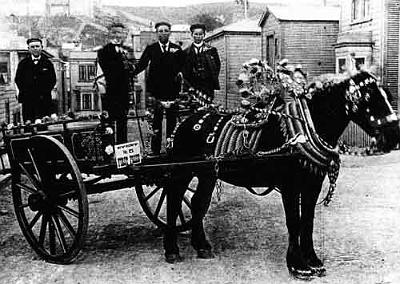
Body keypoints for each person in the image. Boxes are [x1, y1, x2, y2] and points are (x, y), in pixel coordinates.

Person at [134, 21, 184, 155]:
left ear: (170, 32)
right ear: (157, 33)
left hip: (173, 92)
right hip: (156, 92)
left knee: (172, 124)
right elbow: (141, 65)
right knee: (156, 123)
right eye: (160, 31)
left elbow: (184, 67)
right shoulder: (151, 49)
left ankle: (172, 149)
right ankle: (155, 151)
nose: (163, 33)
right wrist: (130, 75)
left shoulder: (177, 49)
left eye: (166, 30)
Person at [97, 22, 135, 144]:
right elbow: (109, 71)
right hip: (110, 92)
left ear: (124, 34)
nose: (117, 35)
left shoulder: (128, 50)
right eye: (114, 32)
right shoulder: (103, 51)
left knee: (122, 123)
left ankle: (122, 152)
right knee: (108, 124)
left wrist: (130, 67)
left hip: (124, 92)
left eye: (120, 32)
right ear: (109, 34)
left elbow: (133, 68)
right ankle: (108, 152)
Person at [15, 38, 56, 123]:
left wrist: (43, 91)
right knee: (29, 125)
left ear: (41, 47)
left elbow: (52, 80)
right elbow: (18, 80)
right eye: (32, 47)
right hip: (28, 100)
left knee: (42, 124)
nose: (35, 48)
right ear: (29, 49)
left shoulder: (48, 63)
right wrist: (27, 92)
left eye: (37, 46)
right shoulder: (23, 64)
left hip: (43, 99)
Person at [182, 23, 220, 99]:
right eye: (196, 34)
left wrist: (211, 78)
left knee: (207, 106)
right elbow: (184, 70)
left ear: (204, 35)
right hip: (192, 85)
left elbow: (217, 66)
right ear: (192, 35)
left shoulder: (211, 50)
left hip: (208, 85)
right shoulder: (186, 52)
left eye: (200, 34)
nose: (198, 36)